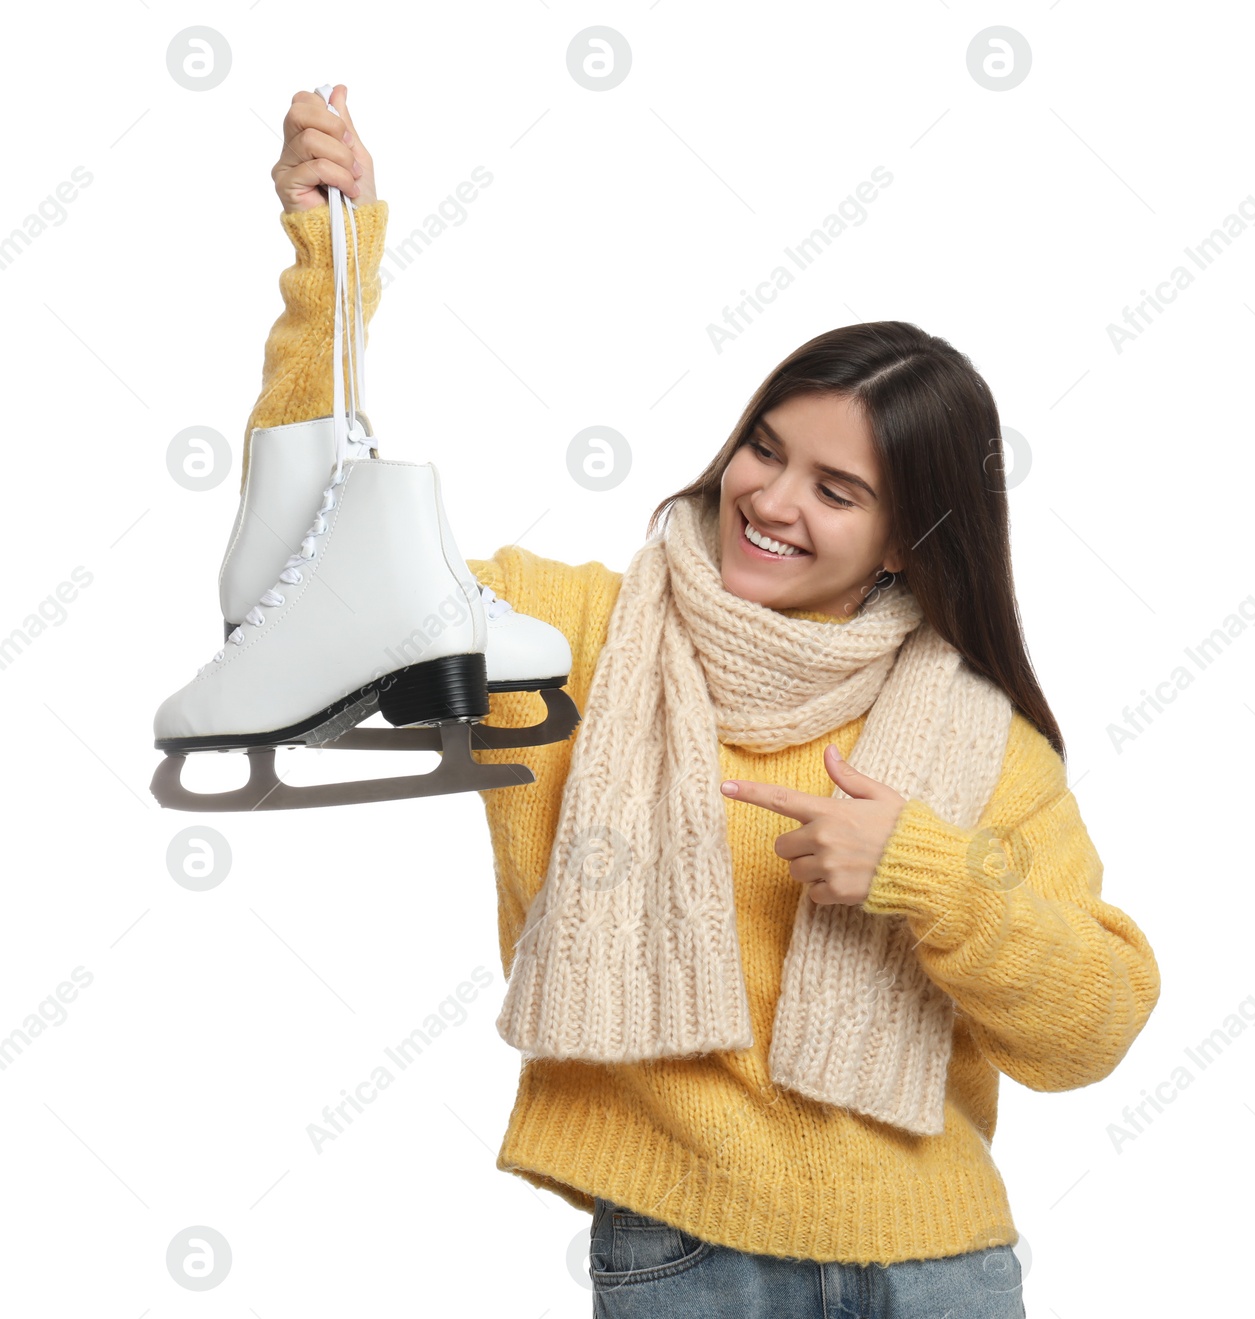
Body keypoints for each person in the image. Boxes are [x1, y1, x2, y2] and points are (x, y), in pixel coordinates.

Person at [262, 85, 1161, 1319]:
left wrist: (928, 876)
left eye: (838, 490)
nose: (772, 498)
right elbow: (313, 578)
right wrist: (335, 266)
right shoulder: (568, 634)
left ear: (907, 540)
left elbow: (1093, 1027)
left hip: (944, 1267)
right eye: (766, 447)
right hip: (692, 1262)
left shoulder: (976, 737)